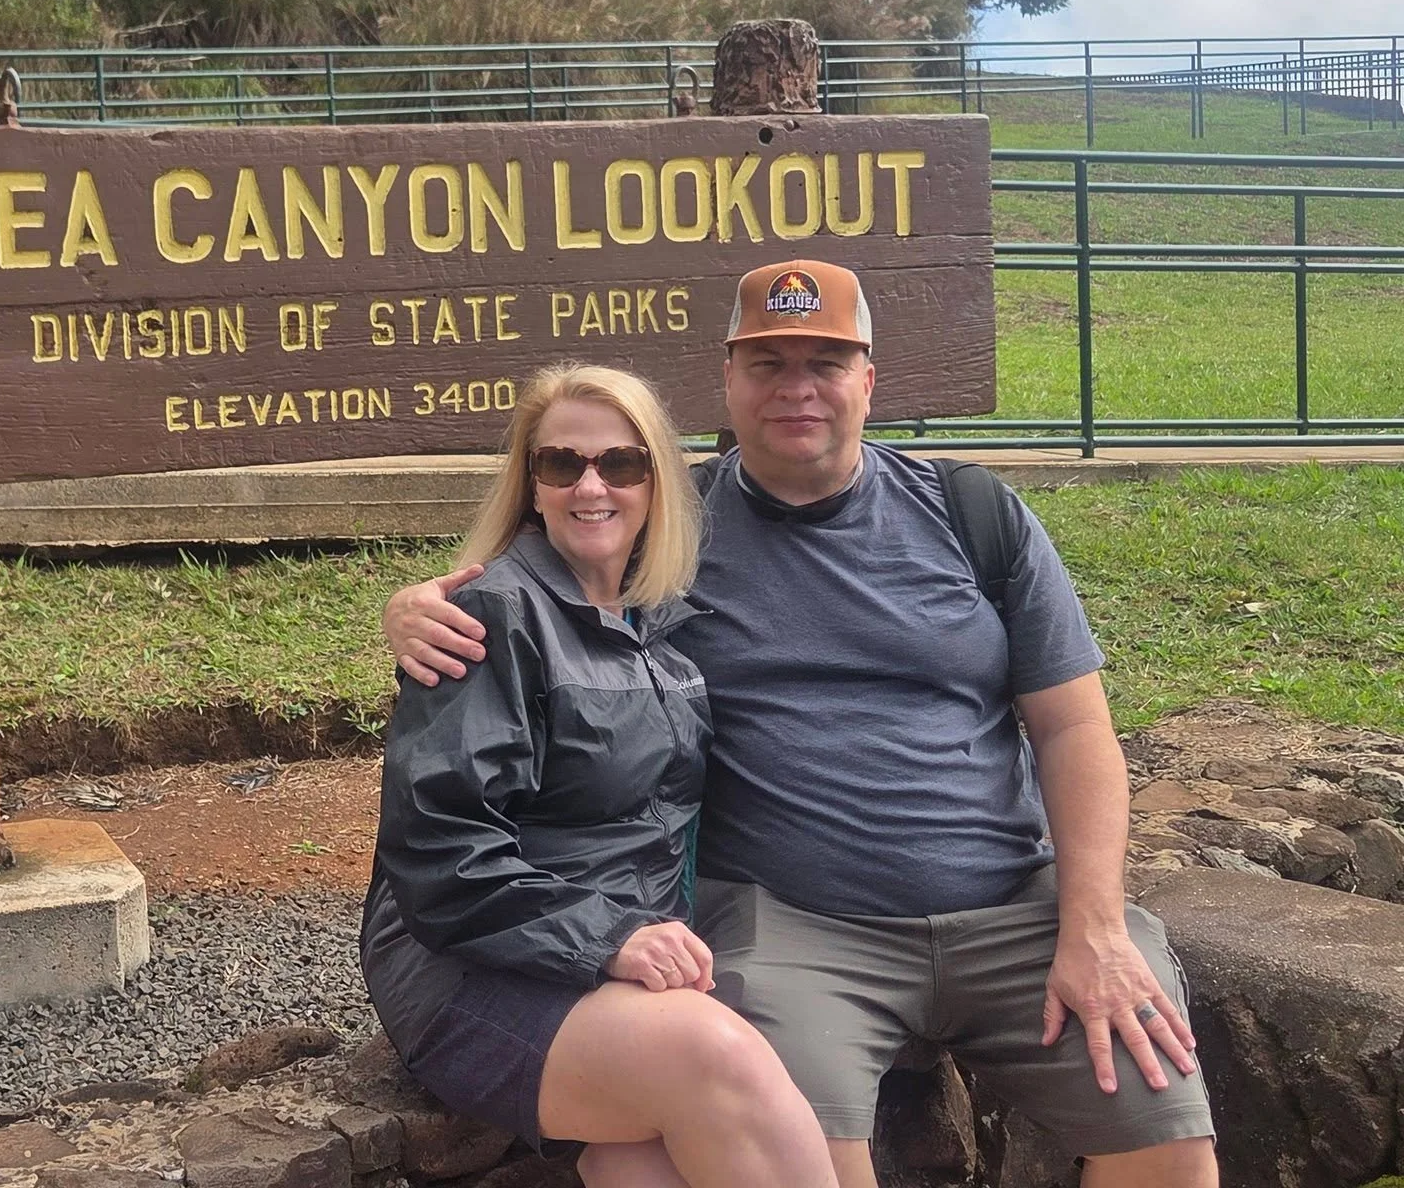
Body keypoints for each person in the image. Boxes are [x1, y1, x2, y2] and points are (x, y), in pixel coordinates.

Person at [383, 263, 1219, 1188]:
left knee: (1165, 1128)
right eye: (768, 362)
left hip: (1017, 909)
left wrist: (1093, 924)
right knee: (778, 1137)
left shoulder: (973, 515)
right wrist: (420, 609)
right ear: (729, 381)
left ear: (870, 378)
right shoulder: (667, 528)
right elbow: (537, 586)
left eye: (826, 360)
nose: (797, 386)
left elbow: (1075, 730)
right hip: (796, 928)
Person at [363, 363, 839, 1188]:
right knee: (716, 1059)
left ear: (657, 481)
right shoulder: (490, 618)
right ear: (532, 486)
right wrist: (610, 938)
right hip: (474, 966)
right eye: (562, 464)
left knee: (643, 1158)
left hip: (610, 958)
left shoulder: (661, 622)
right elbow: (443, 853)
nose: (593, 486)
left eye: (621, 464)